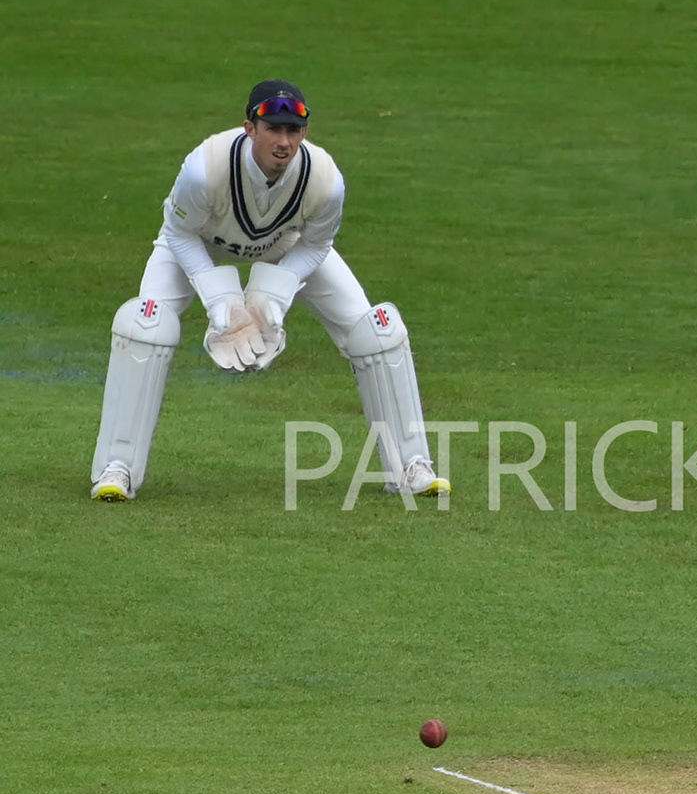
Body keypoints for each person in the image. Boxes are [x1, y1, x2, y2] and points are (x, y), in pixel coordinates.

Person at [90, 80, 447, 501]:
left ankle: (411, 466)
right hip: (198, 240)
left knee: (378, 331)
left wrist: (275, 295)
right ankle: (117, 469)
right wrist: (220, 299)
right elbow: (179, 233)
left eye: (293, 131)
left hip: (286, 244)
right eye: (273, 129)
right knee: (144, 326)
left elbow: (317, 244)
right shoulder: (205, 168)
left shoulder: (325, 181)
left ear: (305, 133)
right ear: (249, 128)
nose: (283, 141)